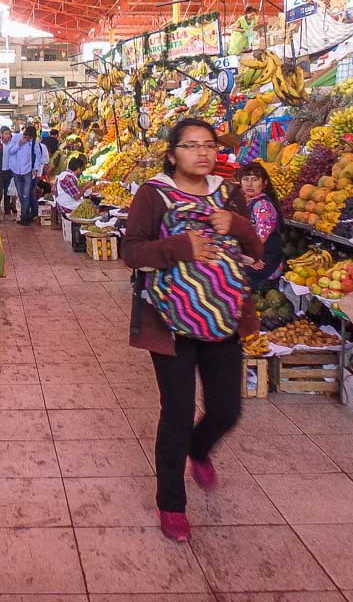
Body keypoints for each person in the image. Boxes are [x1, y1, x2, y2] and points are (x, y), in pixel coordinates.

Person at [121, 118, 263, 543]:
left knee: (226, 410)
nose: (202, 153)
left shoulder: (229, 193)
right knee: (177, 413)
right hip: (170, 322)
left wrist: (235, 225)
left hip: (223, 318)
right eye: (190, 145)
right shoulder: (153, 194)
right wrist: (181, 247)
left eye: (209, 145)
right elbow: (131, 250)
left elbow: (255, 247)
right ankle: (171, 504)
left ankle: (199, 450)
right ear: (172, 153)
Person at [236, 161, 284, 289]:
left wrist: (246, 258)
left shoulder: (262, 205)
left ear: (264, 183)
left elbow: (258, 239)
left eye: (255, 180)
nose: (249, 184)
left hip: (264, 261)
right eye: (245, 179)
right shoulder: (248, 202)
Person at [7, 125, 49, 226]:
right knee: (21, 195)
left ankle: (24, 217)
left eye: (31, 138)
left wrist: (35, 169)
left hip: (27, 171)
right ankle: (25, 214)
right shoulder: (16, 137)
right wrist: (19, 144)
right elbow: (10, 151)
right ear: (25, 134)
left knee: (26, 195)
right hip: (16, 170)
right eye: (28, 137)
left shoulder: (34, 142)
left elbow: (38, 156)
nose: (29, 139)